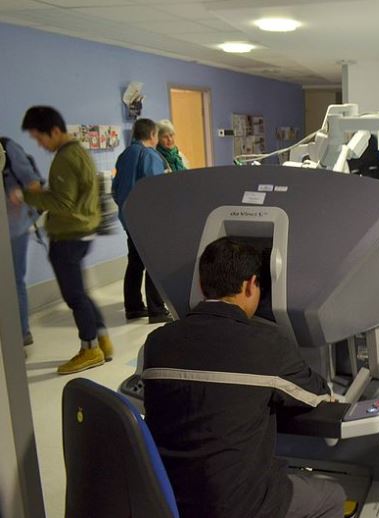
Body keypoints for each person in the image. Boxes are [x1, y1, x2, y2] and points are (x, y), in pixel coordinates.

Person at [143, 237, 346, 518]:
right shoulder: (267, 346)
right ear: (251, 285)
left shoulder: (156, 342)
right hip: (239, 507)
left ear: (201, 285)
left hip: (168, 499)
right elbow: (318, 396)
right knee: (333, 496)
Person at [12, 106, 113, 375]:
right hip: (83, 231)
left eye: (39, 138)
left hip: (68, 236)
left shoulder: (65, 158)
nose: (39, 145)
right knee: (80, 292)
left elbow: (63, 202)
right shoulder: (79, 152)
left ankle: (90, 349)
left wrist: (26, 195)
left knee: (74, 296)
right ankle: (102, 340)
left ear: (54, 131)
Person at [113, 118, 172, 324]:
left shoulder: (125, 155)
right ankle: (157, 310)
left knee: (135, 263)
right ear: (153, 135)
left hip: (129, 218)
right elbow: (156, 190)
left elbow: (115, 189)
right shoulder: (150, 155)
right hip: (148, 220)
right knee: (155, 263)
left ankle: (134, 307)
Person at [2, 136, 42, 347]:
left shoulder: (8, 148)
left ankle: (21, 333)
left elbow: (34, 183)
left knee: (14, 280)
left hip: (14, 228)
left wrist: (20, 194)